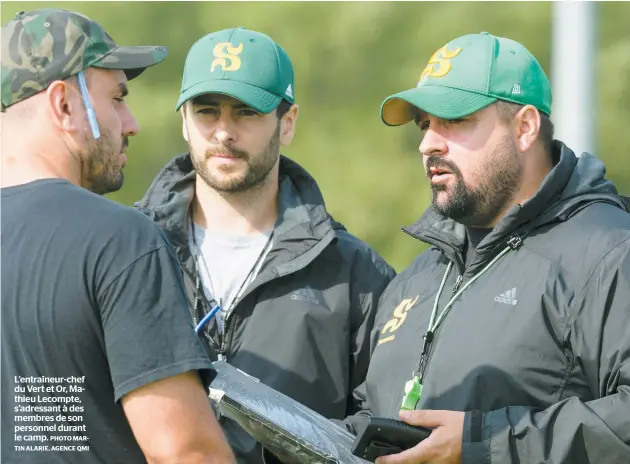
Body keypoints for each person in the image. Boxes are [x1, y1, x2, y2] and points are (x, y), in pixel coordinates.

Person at [343, 32, 630, 463]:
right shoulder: (415, 280)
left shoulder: (620, 256)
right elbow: (371, 417)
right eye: (425, 124)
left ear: (525, 128)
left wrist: (488, 444)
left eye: (454, 119)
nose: (428, 143)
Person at [134, 27, 396, 462]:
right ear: (183, 120)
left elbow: (383, 430)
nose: (223, 132)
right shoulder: (127, 252)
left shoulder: (354, 273)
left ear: (287, 122)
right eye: (206, 111)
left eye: (246, 112)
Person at [1, 9, 235, 464]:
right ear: (64, 105)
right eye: (117, 98)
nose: (131, 124)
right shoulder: (117, 240)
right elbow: (187, 452)